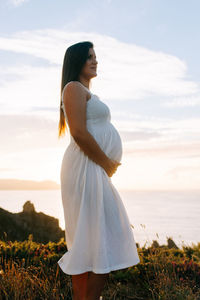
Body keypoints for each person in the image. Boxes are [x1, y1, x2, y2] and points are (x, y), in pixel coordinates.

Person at [58, 41, 140, 300]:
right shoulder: (73, 88)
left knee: (96, 239)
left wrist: (105, 165)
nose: (95, 61)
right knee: (99, 237)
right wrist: (106, 162)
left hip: (93, 169)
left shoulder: (86, 92)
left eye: (95, 57)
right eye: (89, 57)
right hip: (85, 169)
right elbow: (79, 133)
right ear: (77, 62)